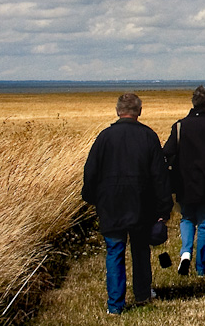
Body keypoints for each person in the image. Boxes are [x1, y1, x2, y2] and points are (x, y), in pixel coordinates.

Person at [82, 92, 173, 315]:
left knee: (114, 252)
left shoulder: (104, 137)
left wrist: (92, 198)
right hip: (142, 205)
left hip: (110, 206)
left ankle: (115, 305)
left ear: (117, 111)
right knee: (140, 250)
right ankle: (142, 295)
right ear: (139, 111)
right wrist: (164, 208)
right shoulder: (148, 136)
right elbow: (159, 176)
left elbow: (90, 172)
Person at [163, 85, 205, 276]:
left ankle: (185, 254)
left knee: (186, 218)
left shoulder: (179, 126)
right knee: (204, 224)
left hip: (184, 184)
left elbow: (166, 153)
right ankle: (202, 268)